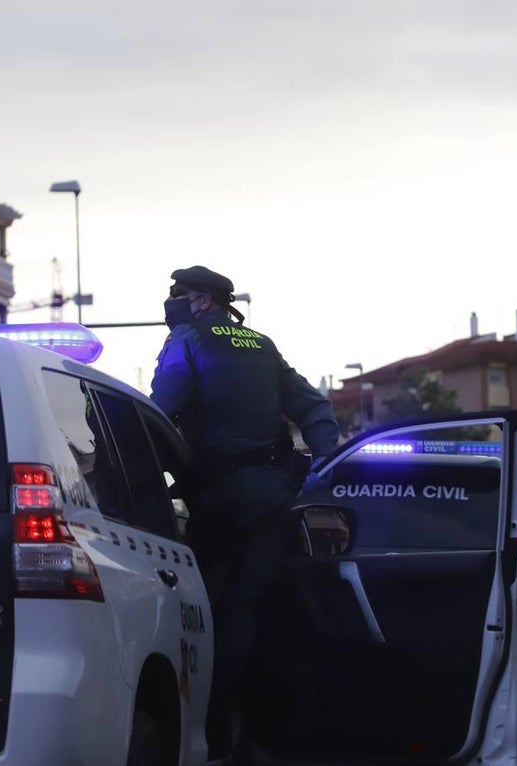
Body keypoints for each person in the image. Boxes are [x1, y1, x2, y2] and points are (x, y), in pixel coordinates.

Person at [150, 265, 339, 763]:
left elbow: (161, 408)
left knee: (212, 609)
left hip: (220, 496)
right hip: (275, 493)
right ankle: (268, 732)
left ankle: (214, 729)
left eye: (179, 295)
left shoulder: (190, 341)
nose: (172, 303)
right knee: (261, 603)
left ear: (203, 301)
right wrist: (324, 465)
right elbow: (315, 407)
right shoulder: (261, 345)